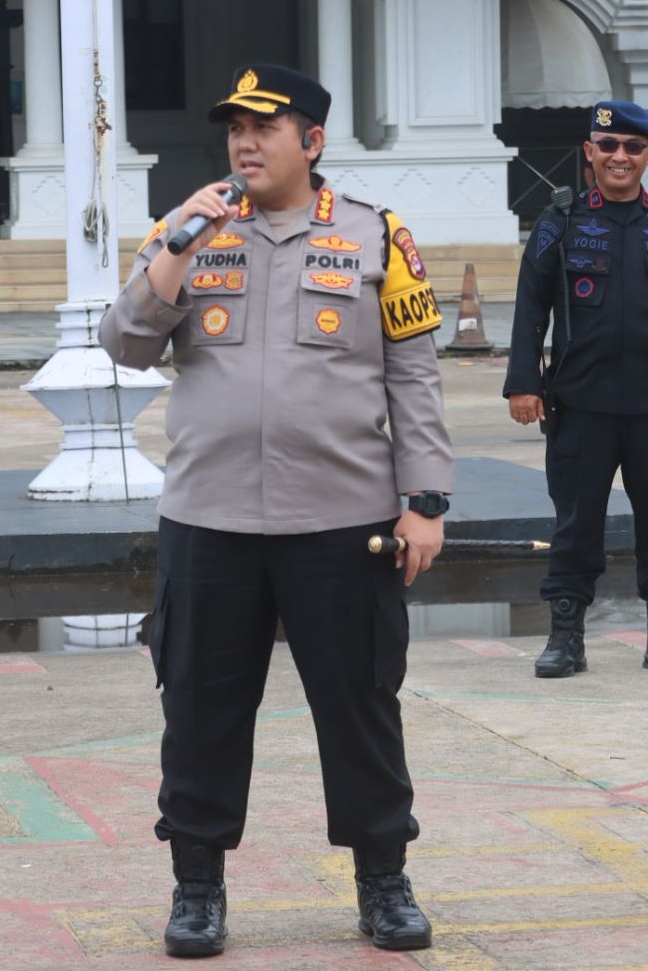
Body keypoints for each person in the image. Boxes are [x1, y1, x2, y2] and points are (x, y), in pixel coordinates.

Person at [99, 63, 452, 958]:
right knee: (200, 711)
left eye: (264, 128)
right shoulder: (186, 230)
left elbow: (413, 375)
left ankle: (383, 881)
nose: (245, 144)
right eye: (236, 130)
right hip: (210, 519)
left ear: (313, 141)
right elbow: (125, 344)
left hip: (342, 521)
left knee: (360, 707)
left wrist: (425, 501)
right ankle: (197, 889)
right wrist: (180, 246)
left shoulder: (377, 235)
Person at [504, 100, 648, 679]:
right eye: (608, 146)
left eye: (632, 147)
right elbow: (530, 306)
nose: (619, 156)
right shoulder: (560, 220)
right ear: (590, 153)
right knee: (577, 524)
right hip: (581, 402)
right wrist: (524, 384)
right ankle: (566, 638)